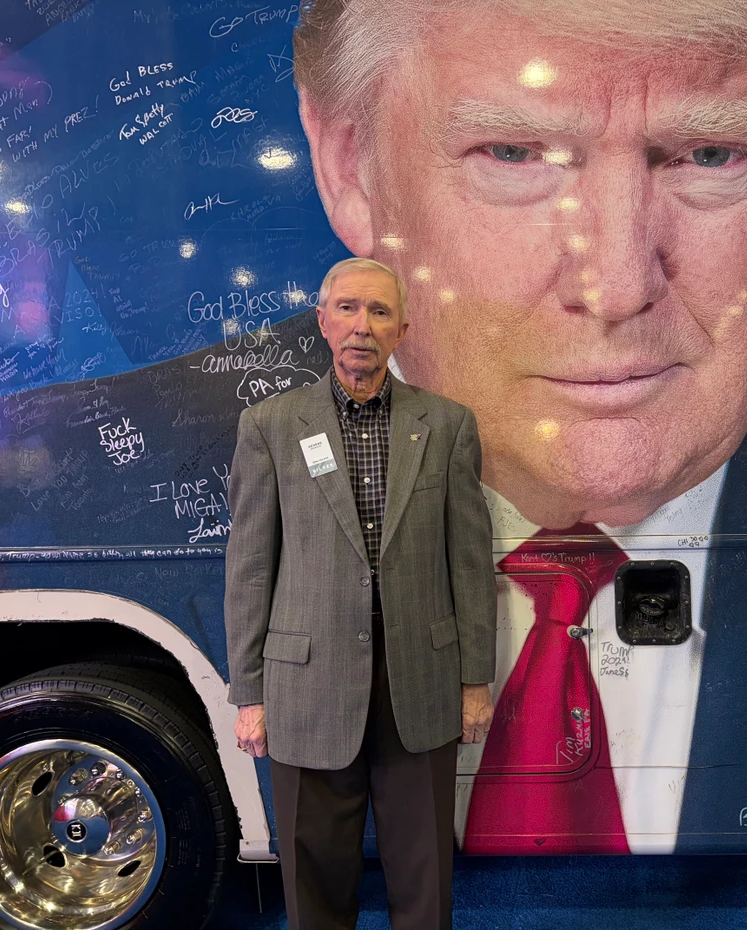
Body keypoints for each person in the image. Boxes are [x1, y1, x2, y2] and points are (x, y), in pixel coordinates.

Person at [292, 0, 747, 854]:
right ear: (353, 166)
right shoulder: (99, 490)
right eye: (515, 153)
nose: (616, 284)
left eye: (711, 155)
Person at [224, 257, 497, 930]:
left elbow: (468, 563)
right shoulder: (271, 426)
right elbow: (251, 565)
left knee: (424, 877)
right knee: (314, 878)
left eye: (379, 312)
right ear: (322, 321)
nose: (361, 327)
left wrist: (473, 682)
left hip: (420, 683)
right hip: (305, 687)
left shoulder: (448, 425)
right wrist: (250, 692)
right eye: (347, 308)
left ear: (402, 329)